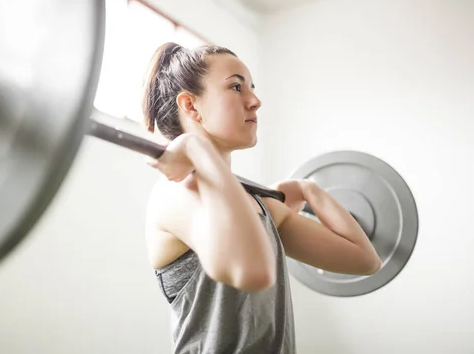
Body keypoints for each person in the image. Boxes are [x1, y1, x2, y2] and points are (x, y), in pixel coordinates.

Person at [141, 42, 381, 354]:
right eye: (236, 87)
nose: (254, 101)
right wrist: (195, 148)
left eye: (251, 88)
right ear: (190, 106)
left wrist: (311, 190)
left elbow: (365, 260)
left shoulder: (259, 205)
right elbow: (251, 272)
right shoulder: (176, 194)